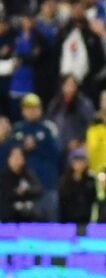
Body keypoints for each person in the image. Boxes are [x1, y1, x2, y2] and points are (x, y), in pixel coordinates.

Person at [11, 93, 60, 221]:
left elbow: (57, 153)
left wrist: (37, 146)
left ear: (40, 109)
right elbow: (10, 156)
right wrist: (23, 147)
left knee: (50, 224)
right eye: (27, 108)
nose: (31, 111)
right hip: (26, 188)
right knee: (26, 225)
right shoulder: (17, 130)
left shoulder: (48, 128)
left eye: (34, 108)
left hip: (47, 184)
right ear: (22, 110)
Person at [0, 146, 42, 222]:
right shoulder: (3, 176)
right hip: (8, 214)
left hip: (27, 212)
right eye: (14, 157)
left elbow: (38, 189)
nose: (17, 160)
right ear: (8, 159)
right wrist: (16, 192)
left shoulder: (28, 175)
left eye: (19, 157)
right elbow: (5, 194)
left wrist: (26, 191)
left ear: (23, 160)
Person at [58, 148, 97, 224]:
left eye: (83, 161)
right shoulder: (65, 181)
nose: (80, 164)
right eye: (77, 161)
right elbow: (62, 202)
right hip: (68, 219)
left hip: (86, 218)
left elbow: (94, 199)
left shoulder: (91, 180)